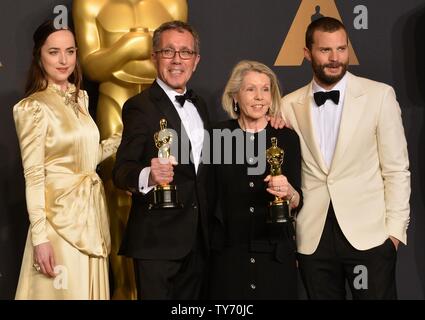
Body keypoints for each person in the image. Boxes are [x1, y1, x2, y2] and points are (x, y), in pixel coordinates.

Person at [282, 17, 410, 299]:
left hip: (371, 237)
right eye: (325, 50)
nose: (335, 58)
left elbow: (397, 169)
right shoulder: (288, 105)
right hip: (313, 239)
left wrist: (394, 234)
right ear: (307, 53)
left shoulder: (379, 96)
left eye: (341, 49)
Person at [72, 0, 188, 299]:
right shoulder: (90, 4)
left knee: (171, 186)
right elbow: (91, 66)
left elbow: (180, 61)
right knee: (119, 190)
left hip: (163, 101)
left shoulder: (174, 3)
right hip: (115, 98)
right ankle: (124, 290)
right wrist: (129, 45)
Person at [13, 20, 121, 299]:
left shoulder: (80, 98)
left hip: (90, 218)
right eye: (54, 52)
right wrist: (40, 239)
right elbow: (34, 174)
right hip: (57, 224)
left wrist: (122, 139)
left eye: (70, 51)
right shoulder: (32, 107)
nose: (64, 60)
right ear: (39, 55)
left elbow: (85, 158)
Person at [113, 20, 210, 300]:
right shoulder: (139, 107)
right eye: (168, 52)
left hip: (198, 243)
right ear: (154, 57)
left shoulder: (200, 105)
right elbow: (121, 171)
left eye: (185, 52)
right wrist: (149, 176)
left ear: (196, 60)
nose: (177, 60)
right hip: (157, 243)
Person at [208, 60, 302, 300]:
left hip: (275, 256)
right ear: (235, 96)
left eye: (265, 89)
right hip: (230, 258)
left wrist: (289, 192)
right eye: (251, 89)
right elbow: (207, 195)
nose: (259, 97)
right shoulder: (218, 136)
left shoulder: (287, 138)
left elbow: (297, 200)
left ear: (272, 97)